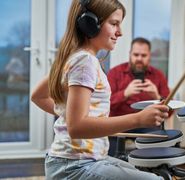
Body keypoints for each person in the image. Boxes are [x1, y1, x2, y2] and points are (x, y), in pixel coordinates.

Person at [31, 0, 168, 179]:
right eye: (114, 23)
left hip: (81, 159)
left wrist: (68, 113)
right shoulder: (84, 62)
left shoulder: (75, 58)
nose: (120, 32)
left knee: (142, 172)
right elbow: (76, 127)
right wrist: (138, 118)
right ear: (90, 24)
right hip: (74, 165)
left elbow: (38, 96)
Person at [107, 37, 170, 155]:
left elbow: (169, 112)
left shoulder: (158, 75)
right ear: (130, 54)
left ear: (149, 56)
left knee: (154, 154)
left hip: (147, 124)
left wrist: (156, 96)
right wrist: (125, 94)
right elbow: (105, 105)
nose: (139, 59)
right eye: (136, 55)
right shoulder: (115, 73)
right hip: (119, 123)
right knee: (111, 156)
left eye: (143, 55)